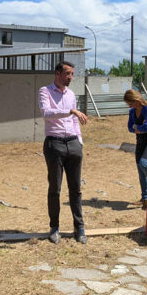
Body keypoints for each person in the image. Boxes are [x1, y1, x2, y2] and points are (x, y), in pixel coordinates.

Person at [38, 61, 88, 244]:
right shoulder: (45, 91)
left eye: (72, 74)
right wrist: (71, 111)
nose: (70, 78)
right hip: (55, 144)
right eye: (67, 74)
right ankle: (54, 227)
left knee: (76, 189)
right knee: (55, 189)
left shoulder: (71, 94)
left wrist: (79, 142)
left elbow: (75, 122)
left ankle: (79, 227)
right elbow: (46, 112)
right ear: (57, 74)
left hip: (73, 144)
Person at [124, 89, 147, 208]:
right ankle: (145, 198)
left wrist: (138, 127)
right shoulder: (132, 111)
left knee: (144, 163)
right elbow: (130, 127)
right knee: (140, 169)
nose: (129, 106)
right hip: (140, 142)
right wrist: (138, 127)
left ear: (136, 100)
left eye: (130, 103)